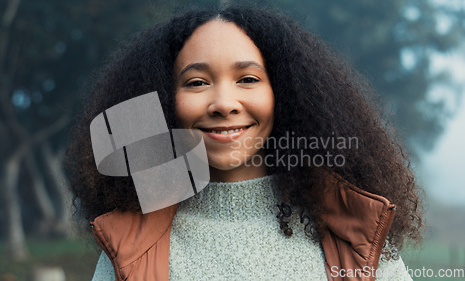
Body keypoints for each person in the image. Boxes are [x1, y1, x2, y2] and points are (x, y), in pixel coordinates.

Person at [66, 6, 424, 281]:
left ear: (287, 94)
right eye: (196, 82)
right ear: (162, 99)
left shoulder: (355, 234)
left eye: (248, 78)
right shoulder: (131, 245)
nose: (223, 103)